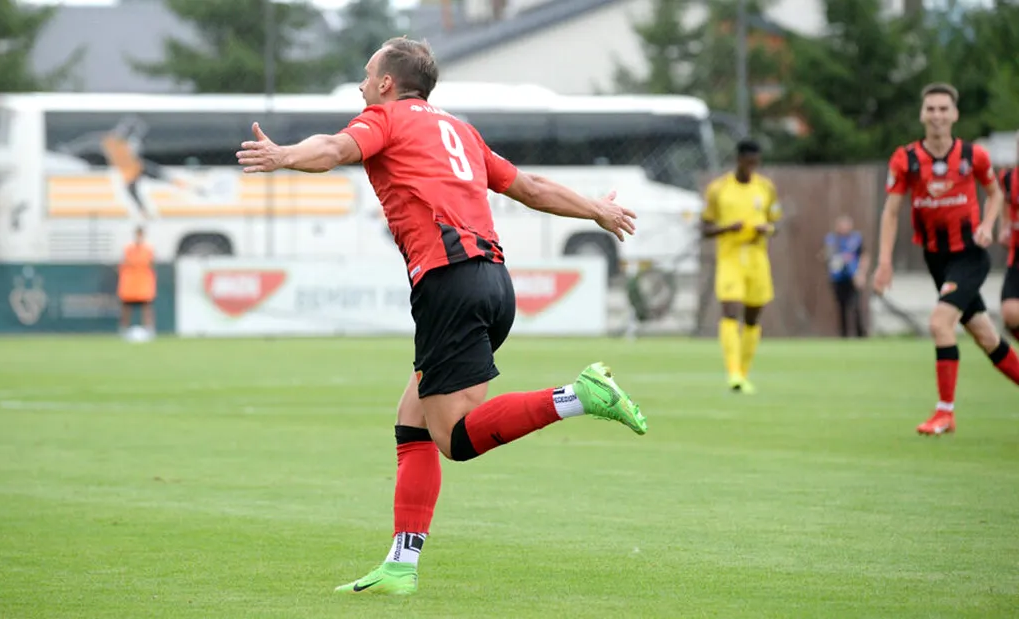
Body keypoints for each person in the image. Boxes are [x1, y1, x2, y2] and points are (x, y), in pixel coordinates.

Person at [235, 37, 647, 596]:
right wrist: (595, 207)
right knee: (412, 423)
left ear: (385, 83)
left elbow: (333, 149)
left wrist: (284, 156)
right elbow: (528, 187)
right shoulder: (459, 130)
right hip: (493, 282)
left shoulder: (385, 118)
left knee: (453, 438)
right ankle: (402, 564)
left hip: (449, 283)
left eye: (366, 74)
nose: (361, 85)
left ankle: (579, 395)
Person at [873, 82, 1019, 436]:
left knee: (940, 324)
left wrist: (986, 224)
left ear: (955, 114)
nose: (937, 115)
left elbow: (994, 193)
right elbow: (891, 212)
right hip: (936, 259)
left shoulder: (973, 156)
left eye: (943, 109)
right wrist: (884, 260)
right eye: (931, 109)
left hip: (969, 256)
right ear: (922, 114)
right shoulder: (905, 159)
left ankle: (945, 413)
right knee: (986, 336)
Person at [700, 139, 781, 394]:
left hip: (757, 258)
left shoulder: (766, 188)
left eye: (756, 163)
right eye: (748, 163)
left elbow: (775, 224)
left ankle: (743, 374)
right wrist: (727, 228)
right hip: (730, 258)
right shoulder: (719, 189)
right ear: (739, 160)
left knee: (753, 317)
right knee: (730, 310)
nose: (752, 167)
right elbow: (705, 228)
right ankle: (733, 372)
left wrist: (766, 229)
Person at [822, 215, 869, 338]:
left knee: (856, 306)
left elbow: (864, 255)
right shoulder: (832, 240)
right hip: (838, 278)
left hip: (853, 277)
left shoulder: (856, 239)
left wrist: (861, 274)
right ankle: (844, 335)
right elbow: (828, 256)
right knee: (841, 307)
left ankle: (861, 334)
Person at [998, 130, 1019, 343]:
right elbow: (1005, 200)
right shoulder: (1009, 177)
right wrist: (1004, 226)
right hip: (1017, 254)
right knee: (1010, 313)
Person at [117, 226, 156, 337]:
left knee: (146, 308)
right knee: (126, 308)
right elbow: (124, 263)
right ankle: (123, 330)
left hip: (143, 284)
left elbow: (151, 264)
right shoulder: (128, 249)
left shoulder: (148, 250)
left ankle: (149, 330)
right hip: (129, 285)